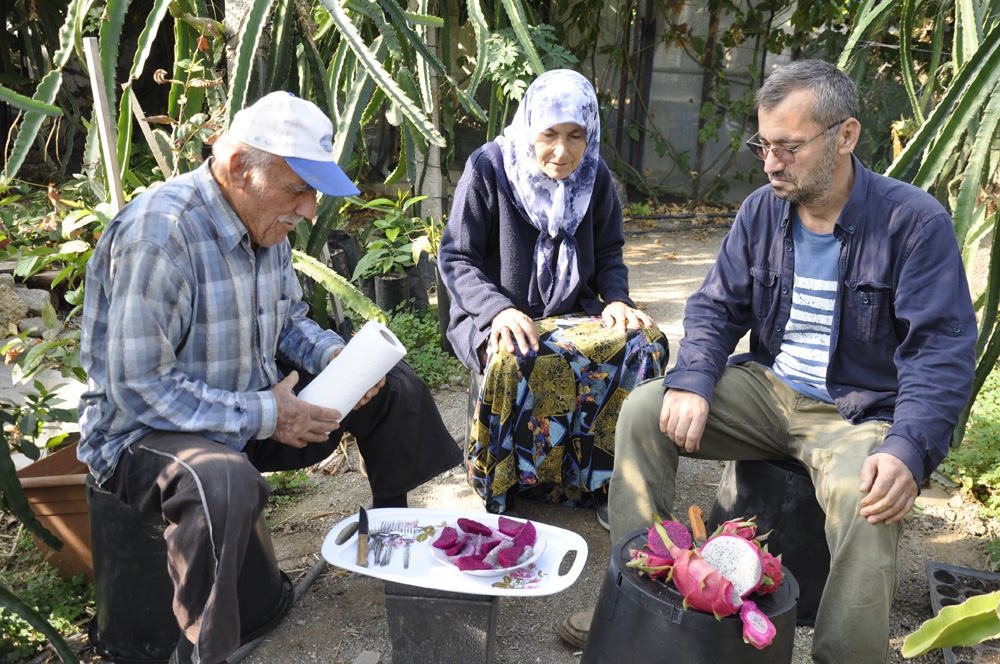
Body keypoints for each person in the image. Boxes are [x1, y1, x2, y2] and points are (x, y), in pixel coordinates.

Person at [605, 60, 977, 663]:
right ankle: (638, 601)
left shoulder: (912, 223)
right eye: (764, 146)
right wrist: (693, 380)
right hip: (769, 389)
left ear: (845, 136)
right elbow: (715, 307)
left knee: (869, 500)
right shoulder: (761, 211)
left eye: (789, 147)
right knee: (646, 410)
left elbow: (940, 352)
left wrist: (907, 447)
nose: (771, 164)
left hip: (855, 411)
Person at [77, 91, 462, 664]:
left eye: (313, 193)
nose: (309, 210)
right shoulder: (161, 235)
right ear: (238, 167)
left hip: (245, 414)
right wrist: (268, 413)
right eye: (298, 189)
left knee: (392, 385)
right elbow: (138, 387)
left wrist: (336, 358)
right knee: (222, 482)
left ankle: (388, 544)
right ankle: (201, 650)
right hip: (142, 438)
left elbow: (288, 322)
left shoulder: (265, 223)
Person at [438, 69, 668, 525]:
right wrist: (497, 310)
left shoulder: (595, 176)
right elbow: (456, 257)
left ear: (590, 134)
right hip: (495, 313)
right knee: (515, 354)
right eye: (549, 134)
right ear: (530, 127)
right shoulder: (489, 168)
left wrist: (617, 299)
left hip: (571, 311)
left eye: (575, 135)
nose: (562, 152)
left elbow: (609, 252)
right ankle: (505, 486)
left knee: (644, 344)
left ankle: (606, 482)